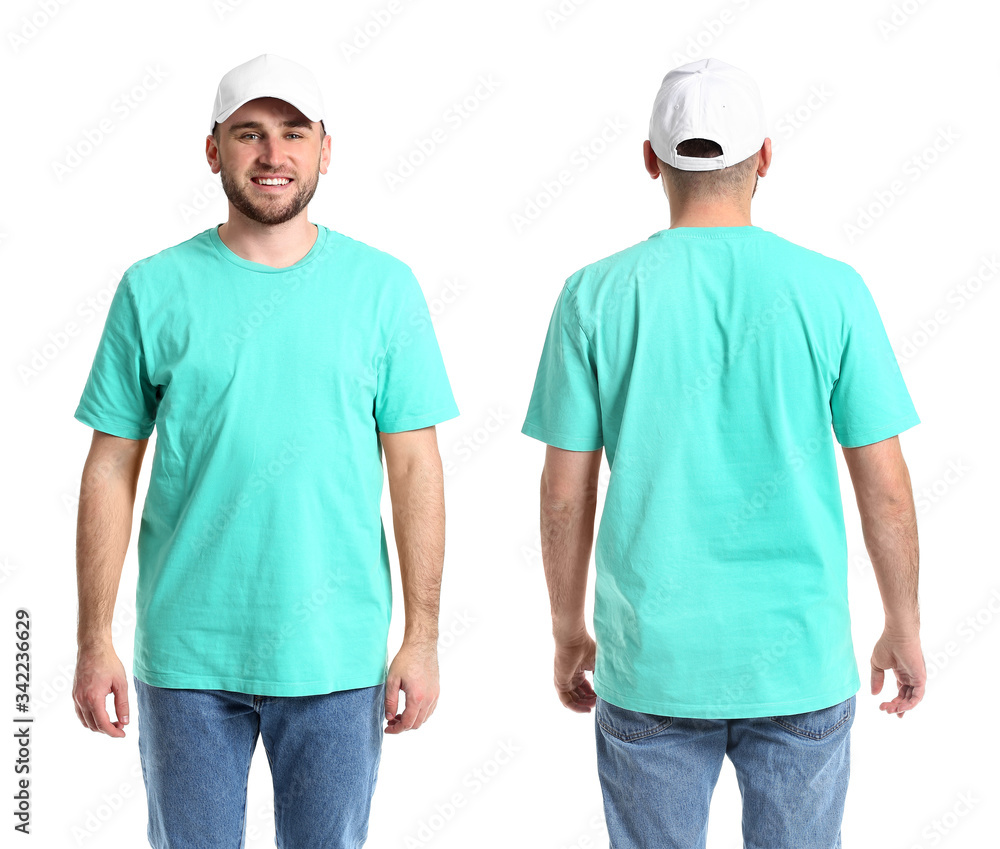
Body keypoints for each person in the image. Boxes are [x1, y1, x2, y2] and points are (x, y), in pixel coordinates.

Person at [520, 57, 925, 849]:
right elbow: (886, 489)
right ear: (765, 156)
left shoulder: (593, 294)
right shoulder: (832, 290)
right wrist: (902, 622)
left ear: (649, 159)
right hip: (799, 660)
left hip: (652, 664)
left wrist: (569, 627)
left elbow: (565, 492)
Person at [71, 53, 459, 847]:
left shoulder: (383, 288)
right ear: (213, 150)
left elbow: (416, 466)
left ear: (325, 147)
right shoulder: (153, 287)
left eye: (292, 133)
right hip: (186, 655)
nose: (272, 155)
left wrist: (421, 636)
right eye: (249, 134)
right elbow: (111, 466)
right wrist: (91, 637)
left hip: (338, 658)